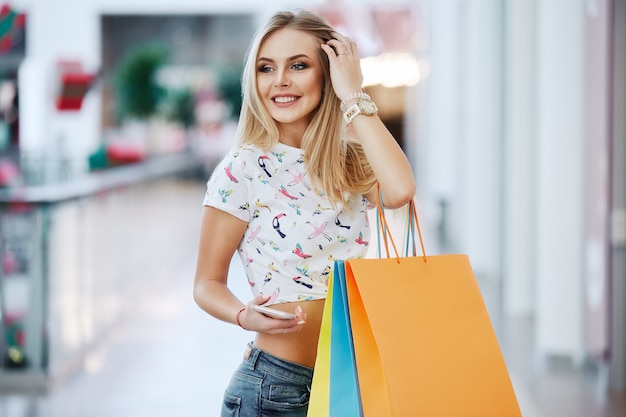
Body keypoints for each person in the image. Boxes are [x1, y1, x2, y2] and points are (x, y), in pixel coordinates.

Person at [193, 9, 416, 417]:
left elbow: (401, 190)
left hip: (348, 381)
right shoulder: (241, 169)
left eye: (298, 65)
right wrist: (245, 316)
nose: (279, 80)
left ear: (327, 73)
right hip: (273, 387)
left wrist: (353, 94)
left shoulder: (348, 162)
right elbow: (206, 283)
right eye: (266, 68)